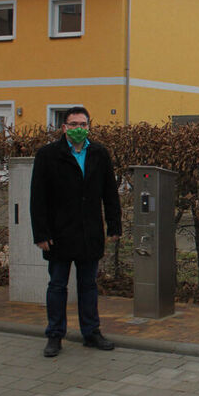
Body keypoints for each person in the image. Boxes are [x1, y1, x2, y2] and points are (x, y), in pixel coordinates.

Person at [31, 106, 121, 357]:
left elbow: (110, 193)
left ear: (89, 126)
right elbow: (37, 198)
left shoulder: (99, 154)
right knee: (58, 286)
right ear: (64, 127)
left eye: (83, 124)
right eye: (73, 124)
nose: (79, 129)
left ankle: (91, 332)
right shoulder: (48, 155)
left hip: (89, 232)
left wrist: (114, 225)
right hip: (58, 234)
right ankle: (54, 335)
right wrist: (41, 233)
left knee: (88, 285)